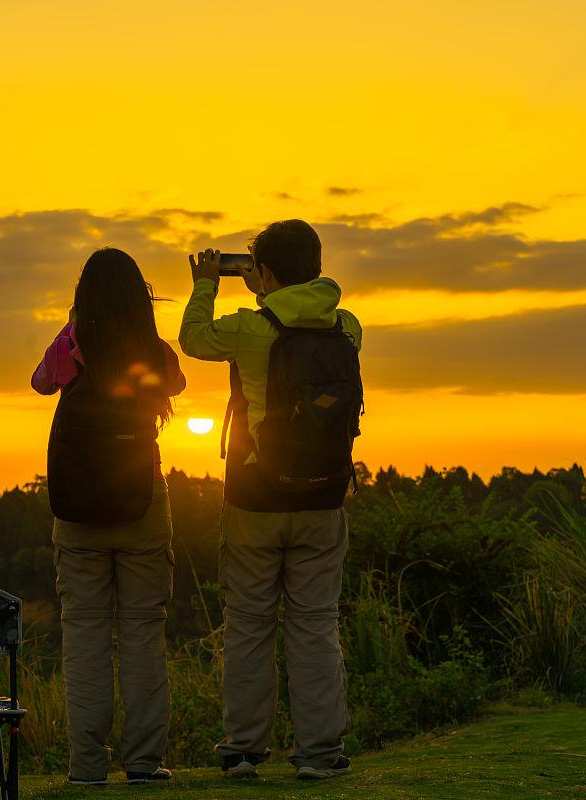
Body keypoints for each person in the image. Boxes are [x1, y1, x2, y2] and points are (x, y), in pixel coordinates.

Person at [179, 220, 361, 781]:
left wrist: (208, 280)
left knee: (250, 624)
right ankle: (320, 753)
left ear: (265, 271)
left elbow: (193, 338)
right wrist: (269, 285)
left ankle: (242, 750)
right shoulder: (347, 326)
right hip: (324, 497)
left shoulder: (249, 329)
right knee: (314, 624)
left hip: (256, 496)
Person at [32, 247, 186, 786]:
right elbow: (177, 386)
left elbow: (40, 382)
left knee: (84, 636)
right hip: (142, 500)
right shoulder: (151, 349)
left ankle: (87, 768)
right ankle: (144, 763)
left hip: (77, 512)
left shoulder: (73, 347)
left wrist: (72, 329)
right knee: (144, 633)